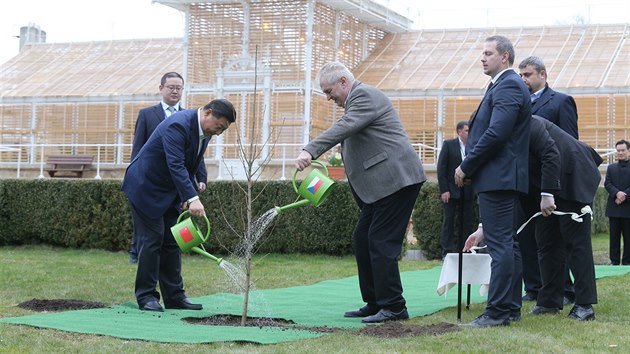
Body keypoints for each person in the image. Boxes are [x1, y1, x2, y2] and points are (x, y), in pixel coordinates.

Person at [295, 62, 426, 324]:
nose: (328, 97)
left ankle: (394, 307)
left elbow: (344, 127)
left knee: (380, 242)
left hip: (396, 181)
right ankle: (375, 302)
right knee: (363, 239)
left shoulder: (364, 96)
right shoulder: (356, 101)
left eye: (329, 91)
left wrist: (310, 150)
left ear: (344, 81)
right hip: (382, 187)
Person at [466, 115, 601, 321]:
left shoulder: (528, 123)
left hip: (573, 175)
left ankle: (585, 305)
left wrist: (547, 193)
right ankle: (549, 300)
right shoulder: (495, 141)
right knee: (546, 242)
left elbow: (551, 154)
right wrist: (484, 226)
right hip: (541, 186)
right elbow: (498, 187)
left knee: (576, 243)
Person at [121, 98, 236, 312]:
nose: (219, 133)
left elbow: (189, 164)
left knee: (172, 242)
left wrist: (186, 193)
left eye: (223, 130)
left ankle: (174, 297)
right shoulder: (179, 124)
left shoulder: (204, 131)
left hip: (166, 191)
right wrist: (193, 198)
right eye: (219, 127)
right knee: (153, 239)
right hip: (145, 187)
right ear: (208, 113)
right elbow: (175, 164)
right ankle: (146, 297)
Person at [454, 35, 531, 327]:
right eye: (482, 53)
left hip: (498, 178)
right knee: (507, 246)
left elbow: (497, 133)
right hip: (500, 178)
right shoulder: (500, 85)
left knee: (500, 247)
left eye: (488, 53)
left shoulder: (509, 84)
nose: (482, 58)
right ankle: (509, 308)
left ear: (505, 57)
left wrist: (466, 165)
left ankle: (498, 311)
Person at [128, 72, 208, 264]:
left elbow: (194, 156)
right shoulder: (147, 114)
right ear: (161, 88)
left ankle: (171, 285)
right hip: (151, 181)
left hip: (174, 184)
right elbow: (139, 148)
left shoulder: (192, 118)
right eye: (171, 87)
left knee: (169, 235)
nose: (175, 91)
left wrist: (200, 177)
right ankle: (135, 254)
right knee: (151, 232)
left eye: (178, 88)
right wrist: (135, 175)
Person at [518, 56, 578, 303]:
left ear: (543, 74)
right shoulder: (517, 104)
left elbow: (569, 145)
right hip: (524, 182)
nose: (523, 80)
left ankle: (563, 289)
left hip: (549, 184)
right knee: (527, 237)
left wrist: (555, 186)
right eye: (521, 75)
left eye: (528, 75)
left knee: (554, 239)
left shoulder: (561, 102)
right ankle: (534, 287)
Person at [437, 121, 474, 257]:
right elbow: (441, 169)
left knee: (467, 221)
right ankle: (446, 250)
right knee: (449, 221)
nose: (468, 133)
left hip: (468, 191)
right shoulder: (449, 145)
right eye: (466, 131)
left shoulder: (473, 146)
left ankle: (465, 250)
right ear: (459, 132)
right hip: (451, 192)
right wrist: (444, 190)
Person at [604, 139, 630, 265]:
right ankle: (614, 261)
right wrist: (617, 193)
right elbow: (607, 183)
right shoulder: (611, 167)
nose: (620, 153)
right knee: (614, 237)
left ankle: (627, 261)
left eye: (623, 150)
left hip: (628, 207)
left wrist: (624, 195)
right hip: (614, 207)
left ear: (628, 151)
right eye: (618, 150)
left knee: (628, 237)